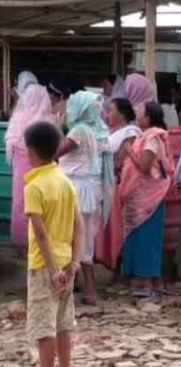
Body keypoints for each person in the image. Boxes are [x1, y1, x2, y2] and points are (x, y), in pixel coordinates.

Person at [9, 121, 83, 367]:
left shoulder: (34, 186)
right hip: (66, 265)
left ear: (30, 151)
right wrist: (74, 263)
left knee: (44, 329)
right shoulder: (65, 182)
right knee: (63, 326)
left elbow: (40, 235)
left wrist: (52, 270)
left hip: (44, 267)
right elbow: (79, 228)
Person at [56, 91, 114, 306]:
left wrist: (56, 127)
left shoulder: (79, 131)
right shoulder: (100, 131)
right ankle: (86, 289)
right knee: (85, 239)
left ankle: (76, 290)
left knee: (71, 238)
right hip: (91, 191)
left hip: (77, 191)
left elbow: (54, 153)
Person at [119, 102, 174, 299]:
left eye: (141, 113)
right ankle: (152, 282)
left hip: (148, 197)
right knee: (146, 238)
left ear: (148, 118)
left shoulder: (151, 139)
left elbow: (144, 167)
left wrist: (129, 151)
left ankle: (148, 284)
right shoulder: (150, 136)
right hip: (146, 195)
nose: (138, 116)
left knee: (147, 239)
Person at [5, 76, 53, 249]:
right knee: (40, 202)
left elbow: (11, 142)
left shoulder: (18, 117)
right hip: (42, 166)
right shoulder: (47, 120)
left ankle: (21, 242)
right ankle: (36, 242)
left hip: (21, 165)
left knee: (21, 202)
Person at [95, 98, 141, 272]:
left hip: (118, 185)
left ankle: (119, 267)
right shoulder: (110, 132)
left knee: (117, 228)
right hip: (105, 183)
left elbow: (122, 160)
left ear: (121, 114)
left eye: (111, 110)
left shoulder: (130, 132)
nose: (108, 114)